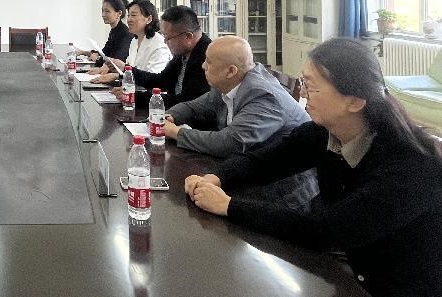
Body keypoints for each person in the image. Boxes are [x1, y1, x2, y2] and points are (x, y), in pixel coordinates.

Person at [185, 38, 442, 297]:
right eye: (303, 82)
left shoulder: (412, 164)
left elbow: (326, 230)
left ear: (354, 101)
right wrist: (215, 177)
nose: (303, 94)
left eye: (311, 86)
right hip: (352, 271)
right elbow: (263, 161)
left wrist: (228, 205)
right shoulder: (325, 132)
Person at [163, 35, 309, 157]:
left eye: (209, 62)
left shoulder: (263, 96)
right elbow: (192, 107)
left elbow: (229, 144)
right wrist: (170, 117)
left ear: (231, 71)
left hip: (285, 178)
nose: (203, 66)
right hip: (248, 165)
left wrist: (175, 132)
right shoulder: (230, 83)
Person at [120, 4, 211, 108]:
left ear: (188, 37)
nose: (164, 41)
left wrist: (135, 97)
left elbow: (187, 101)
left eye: (167, 37)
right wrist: (126, 70)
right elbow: (161, 81)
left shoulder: (207, 56)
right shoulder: (183, 52)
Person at [89, 0, 170, 83]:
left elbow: (153, 79)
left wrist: (122, 70)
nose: (129, 20)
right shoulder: (134, 41)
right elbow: (131, 71)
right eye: (128, 15)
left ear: (149, 19)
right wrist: (117, 74)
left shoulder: (159, 44)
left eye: (134, 15)